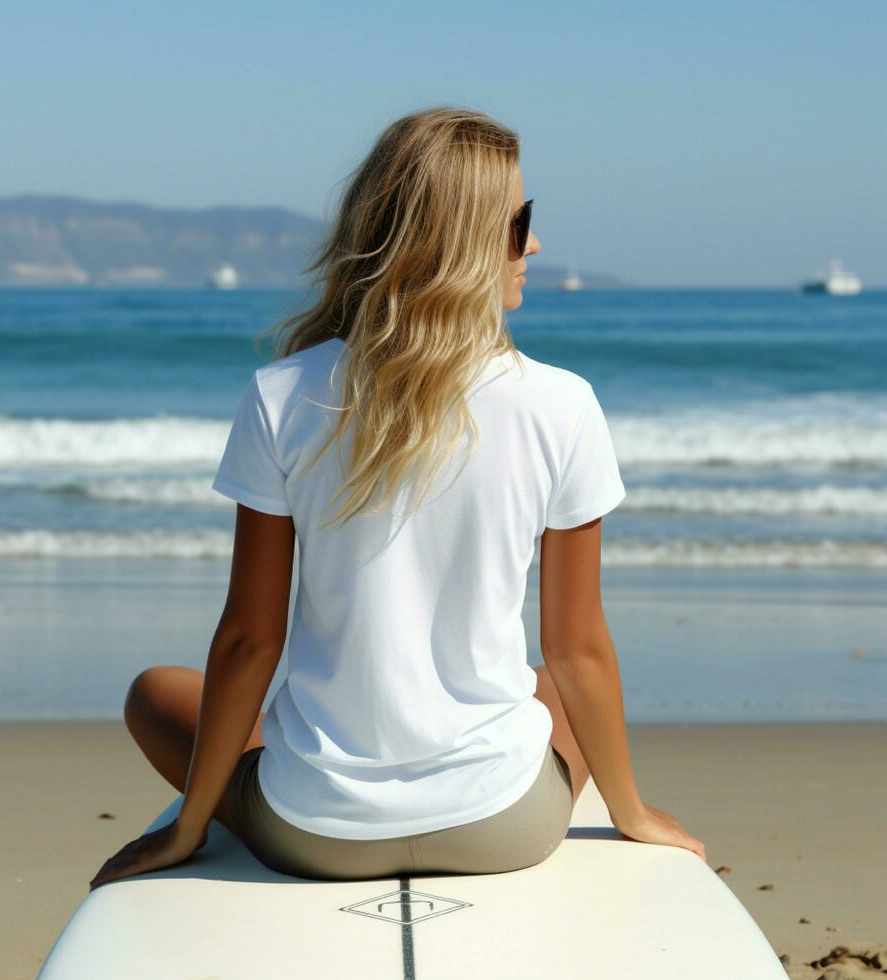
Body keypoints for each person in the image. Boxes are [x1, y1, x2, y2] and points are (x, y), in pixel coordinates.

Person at [89, 106, 705, 890]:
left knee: (156, 694)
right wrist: (633, 813)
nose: (536, 246)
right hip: (504, 825)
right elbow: (577, 650)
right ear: (464, 241)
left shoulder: (282, 396)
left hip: (314, 834)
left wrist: (189, 826)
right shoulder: (564, 405)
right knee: (551, 681)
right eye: (520, 225)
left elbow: (250, 640)